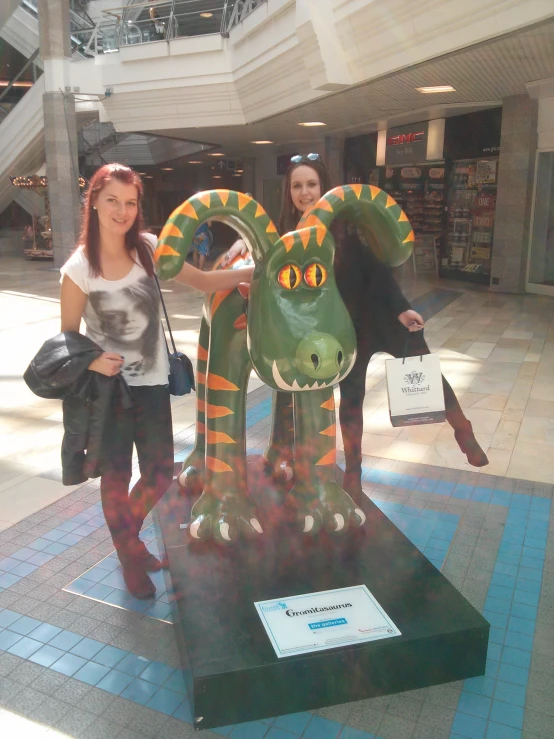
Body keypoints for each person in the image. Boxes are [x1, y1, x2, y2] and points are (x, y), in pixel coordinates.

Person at [224, 156, 488, 497]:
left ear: (324, 187)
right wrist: (241, 247)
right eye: (297, 186)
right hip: (343, 331)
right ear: (288, 192)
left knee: (424, 368)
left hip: (377, 313)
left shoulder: (342, 222)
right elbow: (271, 279)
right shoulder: (285, 237)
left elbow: (376, 269)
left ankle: (463, 430)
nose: (305, 192)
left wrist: (402, 309)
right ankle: (354, 471)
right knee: (351, 401)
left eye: (312, 184)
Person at [60, 163, 254, 599]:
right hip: (107, 394)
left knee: (162, 471)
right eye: (112, 200)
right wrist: (93, 362)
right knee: (115, 477)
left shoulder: (149, 248)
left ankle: (126, 544)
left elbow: (202, 280)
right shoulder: (78, 269)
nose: (122, 210)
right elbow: (68, 340)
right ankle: (131, 555)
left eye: (130, 203)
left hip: (150, 385)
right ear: (94, 201)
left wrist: (248, 274)